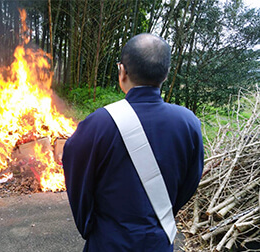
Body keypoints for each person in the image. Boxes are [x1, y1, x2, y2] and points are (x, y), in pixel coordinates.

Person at [62, 33, 204, 252]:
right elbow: (190, 181)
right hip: (159, 243)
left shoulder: (98, 124)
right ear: (165, 75)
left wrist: (89, 226)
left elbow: (78, 181)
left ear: (122, 72)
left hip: (108, 243)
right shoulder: (188, 123)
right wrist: (163, 214)